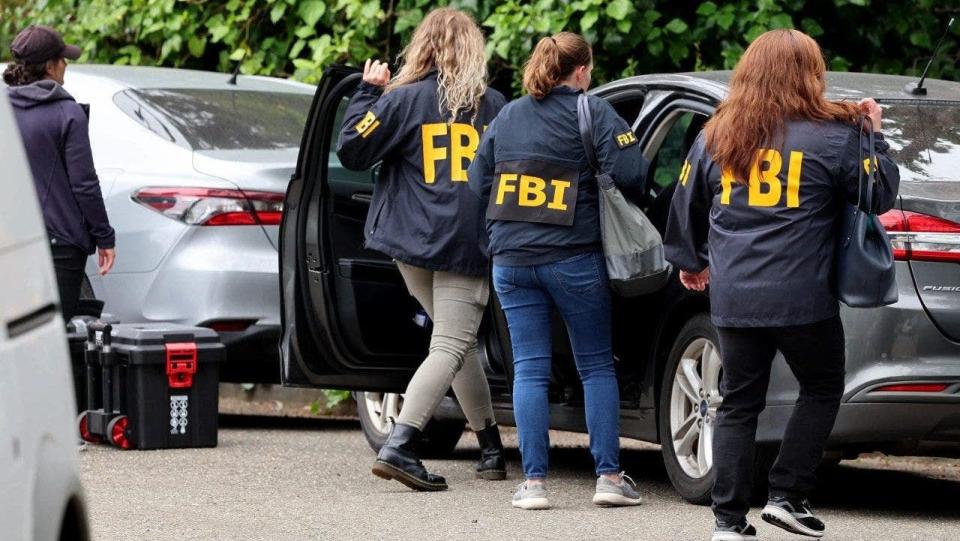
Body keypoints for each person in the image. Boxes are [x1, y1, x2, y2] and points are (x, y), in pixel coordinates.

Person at [663, 29, 900, 541]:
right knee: (821, 386)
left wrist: (691, 261)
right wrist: (874, 133)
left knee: (737, 402)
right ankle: (787, 494)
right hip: (802, 297)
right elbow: (878, 193)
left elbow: (685, 206)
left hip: (734, 295)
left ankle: (727, 522)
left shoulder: (717, 135)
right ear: (810, 75)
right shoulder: (837, 135)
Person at [467, 32, 648, 510]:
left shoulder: (507, 116)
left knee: (528, 367)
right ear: (582, 70)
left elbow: (476, 180)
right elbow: (634, 177)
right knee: (594, 365)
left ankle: (533, 484)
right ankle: (608, 478)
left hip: (511, 260)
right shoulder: (595, 112)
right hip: (574, 259)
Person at [336, 7, 507, 492]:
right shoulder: (493, 105)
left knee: (457, 342)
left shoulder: (401, 100)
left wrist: (368, 90)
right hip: (464, 244)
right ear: (474, 48)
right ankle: (401, 444)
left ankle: (490, 444)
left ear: (423, 46)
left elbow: (351, 149)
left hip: (410, 246)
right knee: (452, 343)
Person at [5, 25, 116, 322]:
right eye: (62, 58)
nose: (66, 63)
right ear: (50, 67)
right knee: (50, 336)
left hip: (10, 241)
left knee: (15, 335)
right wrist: (104, 237)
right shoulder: (68, 113)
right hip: (60, 248)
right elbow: (84, 184)